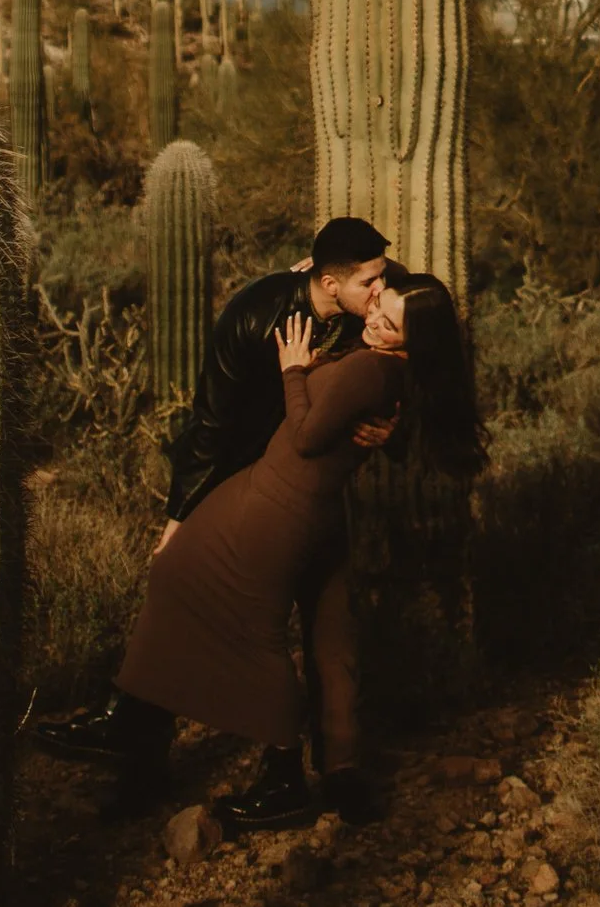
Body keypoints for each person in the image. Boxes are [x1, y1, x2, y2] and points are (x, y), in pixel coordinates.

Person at [34, 214, 392, 820]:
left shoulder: (369, 314)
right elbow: (210, 426)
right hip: (253, 489)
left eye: (383, 284)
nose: (381, 292)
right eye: (370, 284)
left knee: (327, 629)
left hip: (311, 493)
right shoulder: (256, 318)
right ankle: (150, 744)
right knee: (236, 610)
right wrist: (180, 516)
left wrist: (393, 423)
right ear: (331, 284)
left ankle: (328, 772)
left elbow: (409, 333)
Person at [111, 269, 476, 833]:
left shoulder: (368, 365)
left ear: (412, 339)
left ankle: (278, 774)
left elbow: (306, 437)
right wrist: (305, 269)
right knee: (333, 642)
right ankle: (341, 771)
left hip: (293, 506)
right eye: (377, 300)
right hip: (323, 514)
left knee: (248, 626)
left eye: (390, 319)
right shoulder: (397, 367)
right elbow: (387, 285)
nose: (374, 315)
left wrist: (294, 371)